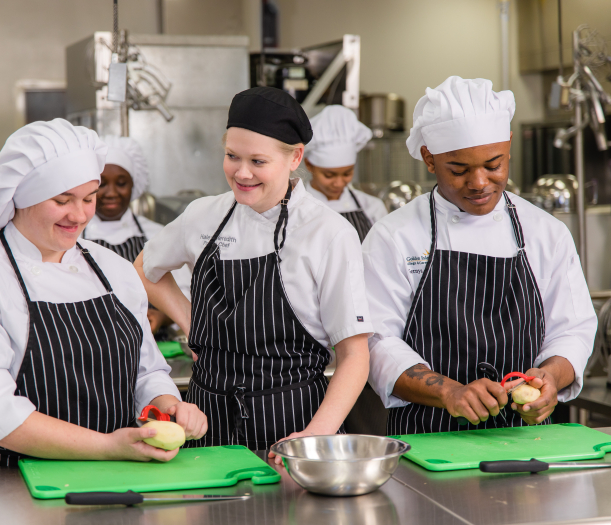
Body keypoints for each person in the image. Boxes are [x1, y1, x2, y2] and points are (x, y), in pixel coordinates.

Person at [0, 119, 206, 468]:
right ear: (22, 198)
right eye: (62, 200)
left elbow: (146, 372)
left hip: (117, 477)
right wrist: (107, 446)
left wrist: (166, 405)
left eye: (89, 198)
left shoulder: (112, 269)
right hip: (10, 486)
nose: (80, 214)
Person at [135, 87, 373, 453]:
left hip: (292, 426)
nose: (241, 173)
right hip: (206, 426)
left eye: (258, 162)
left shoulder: (328, 233)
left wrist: (315, 434)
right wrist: (190, 319)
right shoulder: (204, 215)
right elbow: (144, 269)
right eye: (232, 156)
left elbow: (355, 355)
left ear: (295, 157)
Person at [363, 77, 597, 435]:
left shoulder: (545, 232)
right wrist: (448, 391)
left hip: (528, 437)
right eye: (458, 169)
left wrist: (551, 377)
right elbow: (376, 341)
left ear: (509, 148)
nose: (479, 182)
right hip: (428, 437)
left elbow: (573, 329)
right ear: (429, 158)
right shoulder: (395, 236)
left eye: (494, 165)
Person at [82, 135, 192, 332]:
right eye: (102, 184)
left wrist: (163, 316)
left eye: (121, 183)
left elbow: (184, 294)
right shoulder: (72, 238)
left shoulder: (157, 235)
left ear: (134, 186)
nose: (111, 193)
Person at [304, 105, 387, 242]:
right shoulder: (295, 208)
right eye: (329, 175)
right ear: (309, 165)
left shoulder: (371, 207)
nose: (339, 183)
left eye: (347, 173)